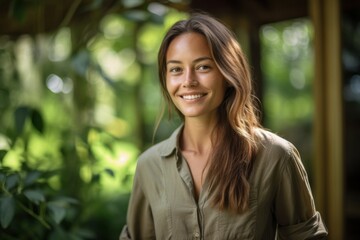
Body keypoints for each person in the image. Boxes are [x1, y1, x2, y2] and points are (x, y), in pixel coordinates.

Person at [120, 12, 328, 239]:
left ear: (228, 74)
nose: (188, 81)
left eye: (203, 67)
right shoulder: (149, 166)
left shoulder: (276, 156)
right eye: (176, 69)